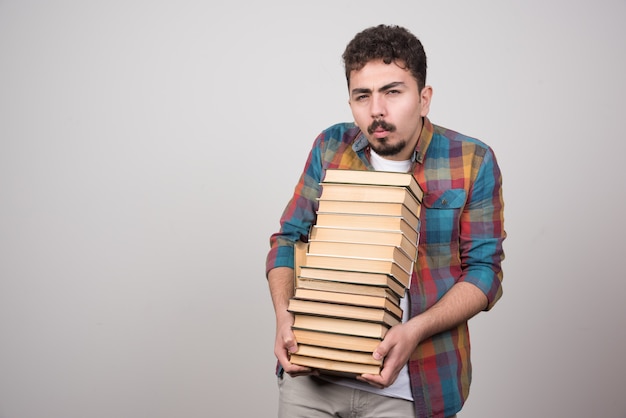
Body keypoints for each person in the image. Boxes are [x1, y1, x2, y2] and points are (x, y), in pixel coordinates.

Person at [265, 24, 505, 418]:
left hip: (412, 388)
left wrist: (414, 331)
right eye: (363, 95)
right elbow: (286, 240)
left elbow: (484, 272)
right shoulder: (329, 146)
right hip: (311, 377)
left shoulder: (471, 160)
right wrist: (283, 316)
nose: (376, 109)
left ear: (424, 98)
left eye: (393, 92)